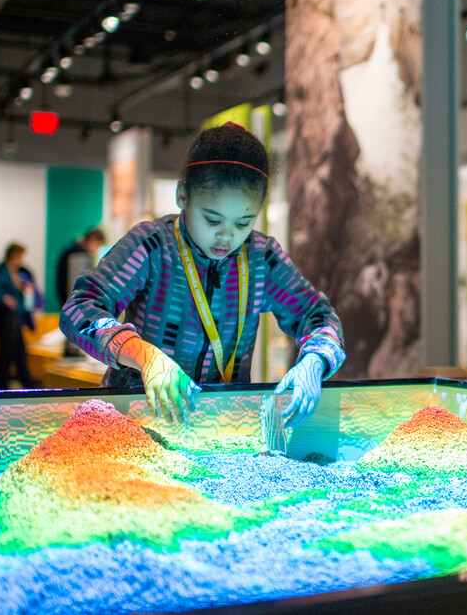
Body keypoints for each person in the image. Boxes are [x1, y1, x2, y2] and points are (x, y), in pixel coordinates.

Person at [60, 123, 345, 425]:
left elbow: (318, 315)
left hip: (223, 428)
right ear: (183, 194)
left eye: (243, 223)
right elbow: (79, 309)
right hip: (137, 421)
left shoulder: (261, 256)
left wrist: (314, 360)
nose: (226, 237)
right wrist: (144, 356)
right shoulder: (153, 245)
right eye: (212, 219)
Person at [0, 243, 42, 389]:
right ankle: (2, 383)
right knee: (8, 349)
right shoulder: (2, 270)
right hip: (5, 316)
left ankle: (25, 381)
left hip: (14, 316)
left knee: (18, 349)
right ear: (13, 255)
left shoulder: (15, 272)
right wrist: (4, 298)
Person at [55, 228, 105, 305]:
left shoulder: (73, 249)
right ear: (92, 239)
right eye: (97, 246)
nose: (96, 250)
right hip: (72, 299)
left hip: (67, 297)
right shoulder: (79, 254)